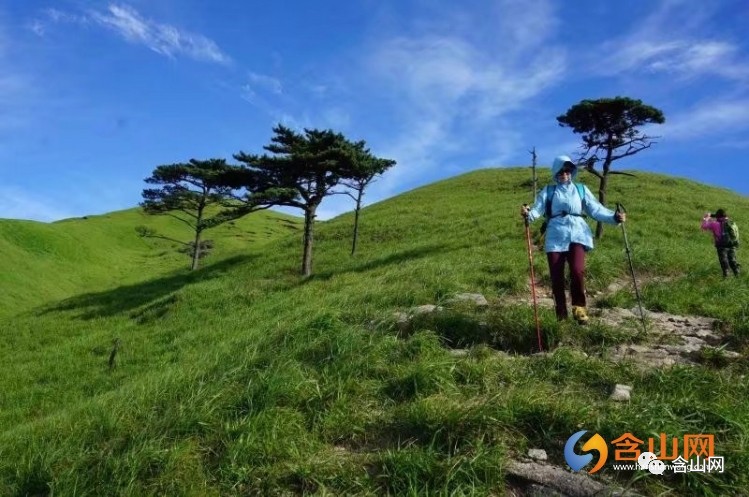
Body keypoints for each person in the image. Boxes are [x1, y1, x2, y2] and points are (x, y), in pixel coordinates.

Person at [520, 156, 626, 324]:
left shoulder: (581, 189)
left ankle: (579, 309)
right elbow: (537, 210)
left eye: (568, 170)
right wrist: (528, 214)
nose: (565, 174)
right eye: (561, 171)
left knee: (577, 271)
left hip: (578, 233)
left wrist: (614, 217)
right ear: (556, 172)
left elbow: (596, 209)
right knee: (556, 277)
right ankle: (560, 315)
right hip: (555, 235)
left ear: (572, 172)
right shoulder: (548, 191)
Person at [701, 209, 740, 277]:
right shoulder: (731, 223)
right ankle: (737, 274)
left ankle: (726, 275)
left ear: (717, 216)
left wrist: (706, 218)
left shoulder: (714, 224)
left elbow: (704, 226)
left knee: (723, 260)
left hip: (721, 246)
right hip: (732, 245)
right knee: (732, 260)